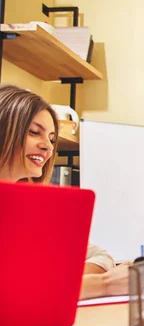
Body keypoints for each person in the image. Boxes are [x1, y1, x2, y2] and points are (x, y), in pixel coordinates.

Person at [0, 84, 130, 300]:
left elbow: (99, 256)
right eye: (34, 132)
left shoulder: (31, 210)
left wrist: (67, 284)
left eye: (52, 139)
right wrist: (103, 284)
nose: (48, 148)